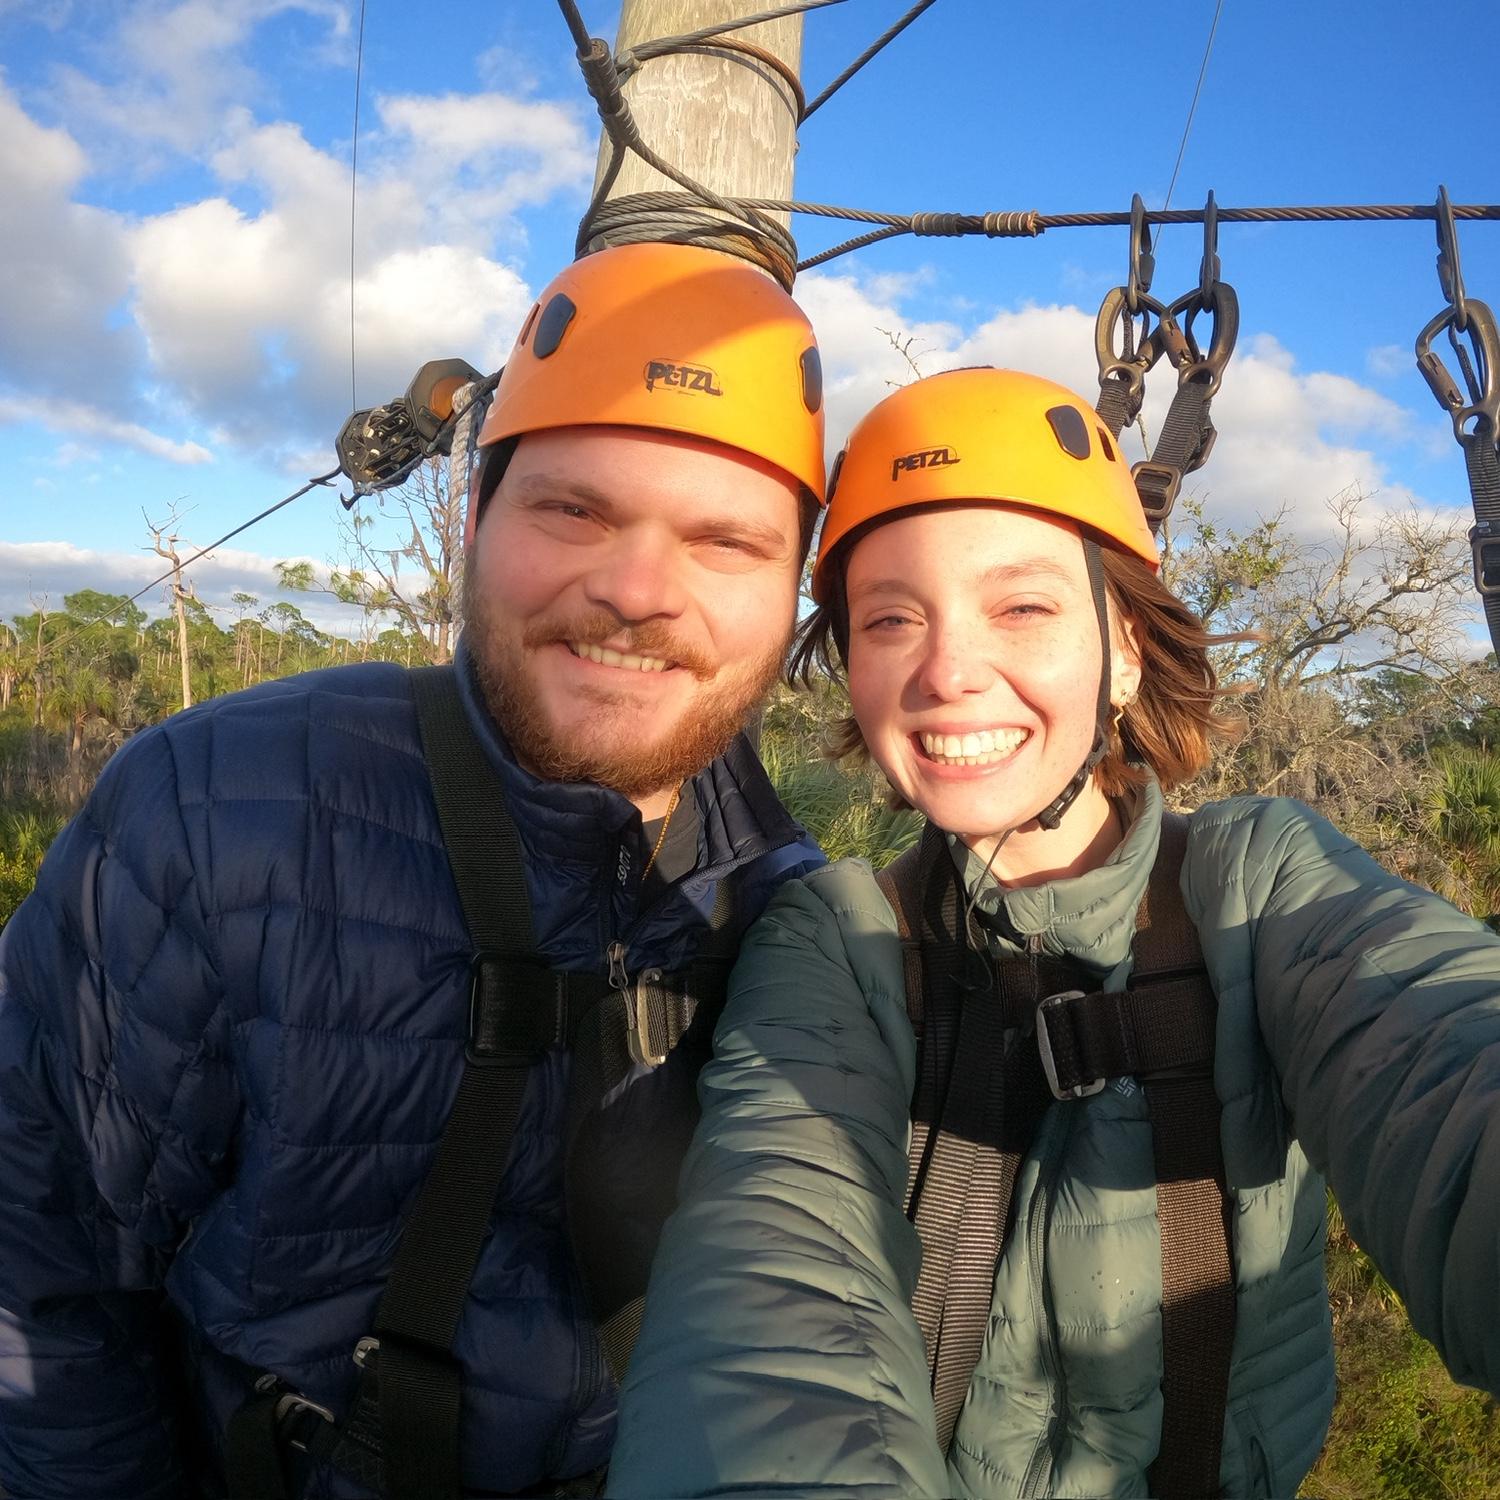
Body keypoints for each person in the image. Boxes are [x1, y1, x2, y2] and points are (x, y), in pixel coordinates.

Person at [0, 241, 829, 1499]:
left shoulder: (798, 910)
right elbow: (35, 1274)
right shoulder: (215, 817)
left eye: (727, 543)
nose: (640, 591)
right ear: (473, 517)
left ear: (793, 592)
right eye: (575, 509)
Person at [609, 366, 1500, 1499]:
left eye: (1022, 606)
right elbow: (773, 1292)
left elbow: (1443, 1065)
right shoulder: (839, 944)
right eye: (890, 618)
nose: (946, 672)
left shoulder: (1263, 888)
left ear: (1124, 648)